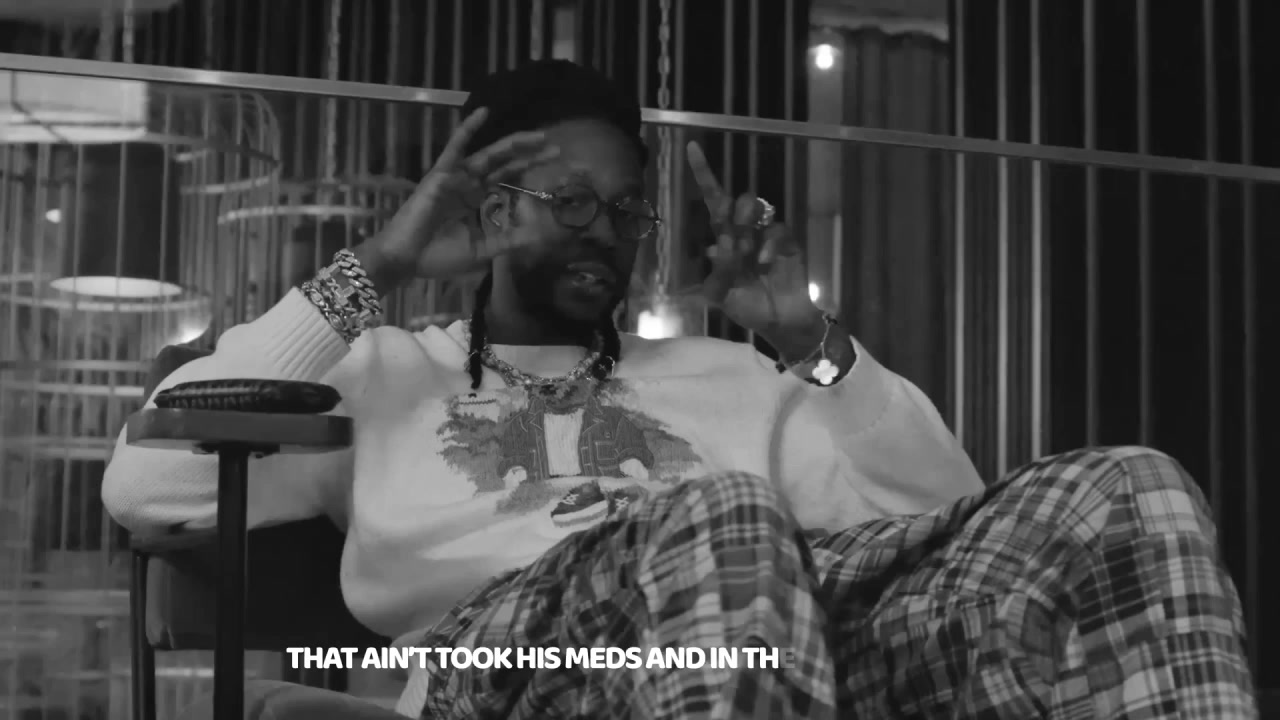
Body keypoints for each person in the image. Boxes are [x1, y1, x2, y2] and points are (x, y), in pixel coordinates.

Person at [102, 60, 1256, 719]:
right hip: (507, 674)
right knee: (720, 512)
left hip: (761, 648)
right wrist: (380, 268)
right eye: (568, 201)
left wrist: (804, 337)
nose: (602, 231)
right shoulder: (386, 374)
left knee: (1126, 490)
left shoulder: (728, 375)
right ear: (491, 210)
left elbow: (942, 516)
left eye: (623, 209)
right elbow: (148, 485)